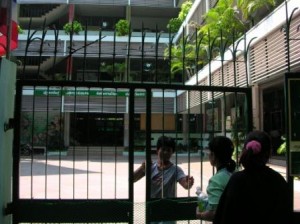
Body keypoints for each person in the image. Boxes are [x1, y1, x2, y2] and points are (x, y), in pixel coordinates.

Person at [213, 130, 290, 224]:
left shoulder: (236, 180)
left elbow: (223, 216)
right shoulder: (278, 181)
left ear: (245, 150)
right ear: (269, 152)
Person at [133, 136, 194, 224]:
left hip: (168, 211)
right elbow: (132, 179)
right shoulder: (150, 167)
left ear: (172, 152)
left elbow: (185, 184)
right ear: (157, 150)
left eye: (168, 150)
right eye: (163, 149)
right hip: (152, 208)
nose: (165, 152)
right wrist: (142, 168)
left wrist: (188, 183)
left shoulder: (176, 169)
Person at [195, 136, 236, 221]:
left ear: (213, 155)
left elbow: (215, 213)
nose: (208, 154)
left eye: (209, 152)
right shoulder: (236, 172)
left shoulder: (216, 180)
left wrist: (200, 215)